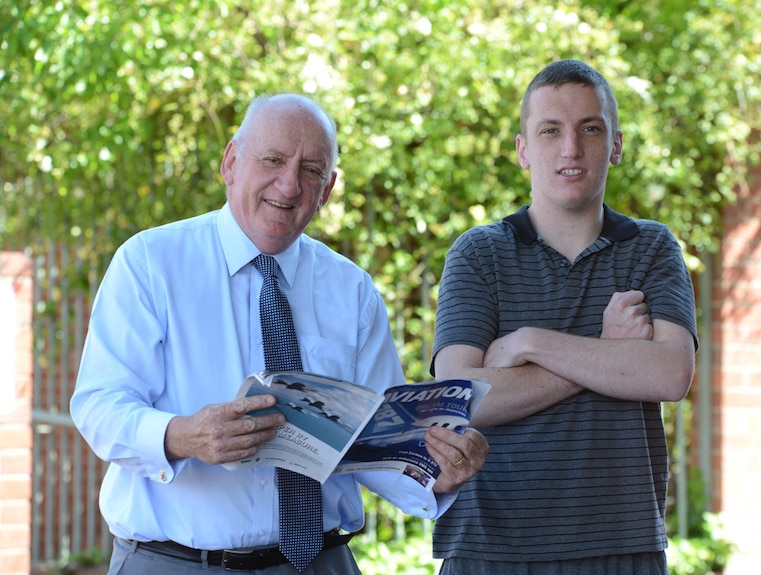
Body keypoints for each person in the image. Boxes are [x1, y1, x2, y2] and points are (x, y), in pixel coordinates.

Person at [70, 93, 489, 575]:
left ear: (328, 190)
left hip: (321, 562)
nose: (288, 185)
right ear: (231, 162)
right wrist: (183, 436)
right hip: (175, 562)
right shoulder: (150, 263)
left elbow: (375, 442)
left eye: (311, 170)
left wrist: (437, 472)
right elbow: (100, 406)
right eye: (272, 160)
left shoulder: (351, 290)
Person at [430, 59, 698, 574]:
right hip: (489, 550)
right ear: (523, 150)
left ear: (615, 145)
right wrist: (607, 346)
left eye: (590, 129)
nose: (570, 148)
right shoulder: (479, 254)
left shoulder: (651, 248)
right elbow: (460, 398)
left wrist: (527, 342)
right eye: (550, 130)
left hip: (621, 549)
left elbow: (669, 373)